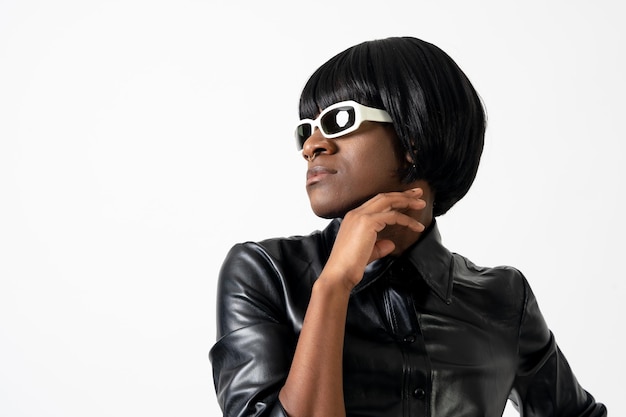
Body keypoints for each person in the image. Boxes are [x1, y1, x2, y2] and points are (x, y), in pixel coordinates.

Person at [209, 36, 607, 417]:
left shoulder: (504, 299)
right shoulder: (264, 272)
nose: (312, 145)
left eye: (338, 120)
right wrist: (332, 287)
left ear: (413, 136)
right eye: (306, 128)